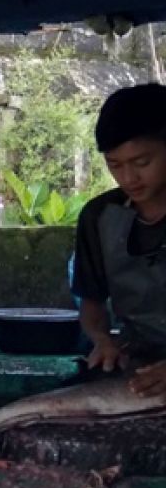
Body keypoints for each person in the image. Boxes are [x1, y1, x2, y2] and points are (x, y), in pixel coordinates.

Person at [72, 83, 166, 397]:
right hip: (137, 362)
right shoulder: (99, 216)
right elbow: (92, 301)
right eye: (115, 165)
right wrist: (102, 339)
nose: (128, 179)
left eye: (142, 163)